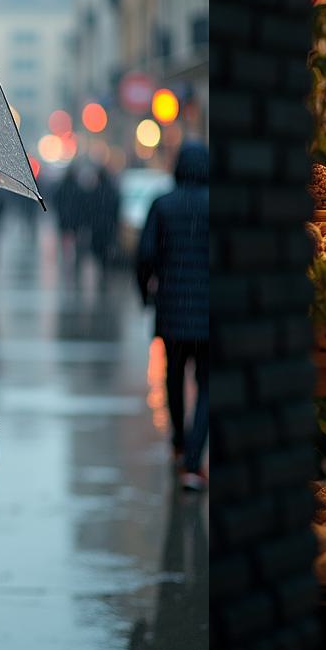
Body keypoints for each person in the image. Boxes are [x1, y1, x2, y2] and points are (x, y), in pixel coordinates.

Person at [136, 141, 210, 486]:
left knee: (175, 377)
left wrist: (145, 293)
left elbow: (145, 255)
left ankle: (180, 444)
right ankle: (194, 462)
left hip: (173, 309)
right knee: (209, 385)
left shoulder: (162, 205)